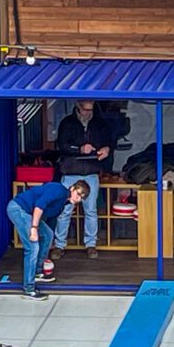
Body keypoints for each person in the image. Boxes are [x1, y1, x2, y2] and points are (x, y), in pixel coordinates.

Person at [7, 180, 89, 299]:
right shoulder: (59, 190)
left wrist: (48, 241)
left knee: (48, 234)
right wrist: (34, 228)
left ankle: (37, 272)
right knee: (32, 247)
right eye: (78, 194)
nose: (78, 199)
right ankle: (29, 289)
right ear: (72, 188)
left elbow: (49, 221)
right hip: (19, 209)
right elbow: (39, 206)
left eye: (82, 198)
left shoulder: (62, 204)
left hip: (29, 214)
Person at [51, 100, 111, 260]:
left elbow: (109, 141)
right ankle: (59, 245)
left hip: (91, 171)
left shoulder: (99, 123)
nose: (88, 113)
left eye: (90, 110)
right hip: (71, 171)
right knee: (65, 211)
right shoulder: (67, 123)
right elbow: (62, 145)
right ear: (78, 108)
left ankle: (91, 245)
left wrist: (106, 149)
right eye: (85, 110)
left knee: (91, 211)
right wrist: (80, 149)